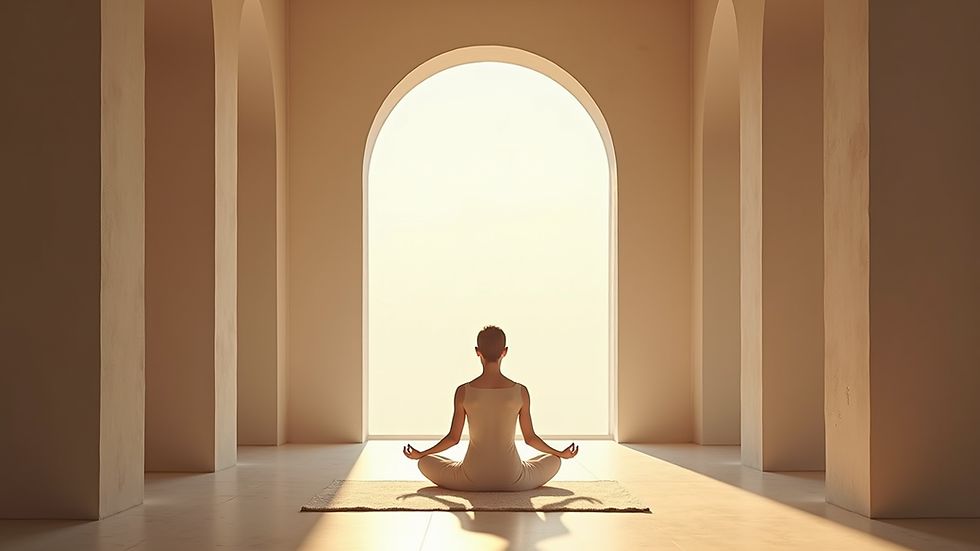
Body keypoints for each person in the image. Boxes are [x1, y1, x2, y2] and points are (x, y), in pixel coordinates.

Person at [402, 325, 579, 491]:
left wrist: (422, 453)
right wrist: (560, 453)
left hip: (471, 478)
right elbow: (530, 438)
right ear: (505, 352)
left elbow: (453, 439)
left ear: (478, 352)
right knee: (554, 460)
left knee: (424, 462)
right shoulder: (520, 391)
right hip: (513, 478)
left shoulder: (463, 391)